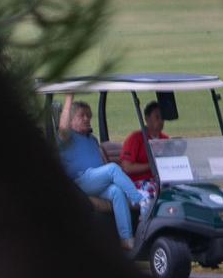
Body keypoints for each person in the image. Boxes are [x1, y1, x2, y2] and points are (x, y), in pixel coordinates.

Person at [56, 97, 141, 248]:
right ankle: (141, 200)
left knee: (116, 192)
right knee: (113, 169)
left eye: (88, 116)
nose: (87, 118)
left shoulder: (92, 140)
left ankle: (126, 239)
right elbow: (63, 123)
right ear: (71, 120)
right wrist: (69, 96)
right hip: (80, 182)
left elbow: (103, 164)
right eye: (81, 116)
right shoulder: (66, 137)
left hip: (96, 181)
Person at [118, 101, 168, 192]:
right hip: (137, 183)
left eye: (162, 117)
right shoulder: (135, 139)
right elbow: (127, 167)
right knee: (154, 190)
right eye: (157, 117)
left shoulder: (166, 139)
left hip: (161, 181)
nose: (161, 121)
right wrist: (152, 165)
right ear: (147, 119)